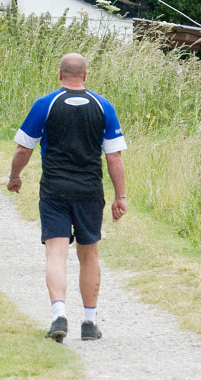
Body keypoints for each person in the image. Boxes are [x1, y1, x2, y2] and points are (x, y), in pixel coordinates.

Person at [7, 52, 127, 342]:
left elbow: (24, 150)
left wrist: (14, 177)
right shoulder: (103, 106)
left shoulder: (45, 104)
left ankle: (59, 316)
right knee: (89, 255)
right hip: (89, 192)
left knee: (56, 254)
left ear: (59, 75)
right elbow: (114, 158)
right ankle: (89, 322)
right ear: (85, 76)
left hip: (54, 191)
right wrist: (120, 196)